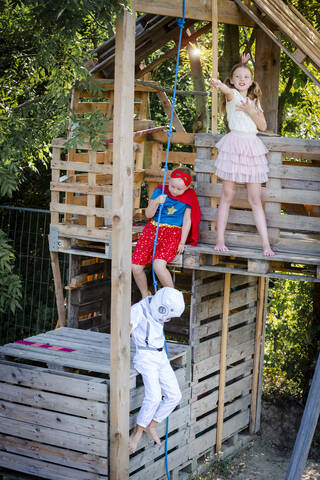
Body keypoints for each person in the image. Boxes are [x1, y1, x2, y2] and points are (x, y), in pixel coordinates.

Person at [210, 53, 275, 257]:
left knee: (255, 198)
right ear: (232, 80)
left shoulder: (254, 100)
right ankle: (220, 239)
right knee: (227, 194)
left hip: (252, 148)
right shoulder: (232, 96)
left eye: (246, 77)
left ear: (251, 80)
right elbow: (227, 91)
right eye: (238, 77)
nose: (242, 80)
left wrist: (251, 110)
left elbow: (263, 125)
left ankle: (266, 244)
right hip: (234, 145)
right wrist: (219, 84)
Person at [129, 287, 185, 454]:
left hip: (160, 355)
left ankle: (151, 425)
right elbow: (122, 332)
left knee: (175, 395)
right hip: (146, 357)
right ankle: (136, 433)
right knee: (153, 397)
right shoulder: (137, 311)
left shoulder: (159, 304)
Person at [132, 167, 201, 298]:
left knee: (158, 266)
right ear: (169, 181)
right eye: (172, 186)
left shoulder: (190, 196)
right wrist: (156, 201)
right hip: (152, 230)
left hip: (172, 233)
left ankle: (172, 297)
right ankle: (145, 294)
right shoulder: (160, 190)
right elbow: (148, 214)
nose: (174, 191)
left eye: (179, 189)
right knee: (135, 267)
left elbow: (187, 220)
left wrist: (182, 241)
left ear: (187, 187)